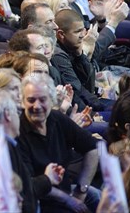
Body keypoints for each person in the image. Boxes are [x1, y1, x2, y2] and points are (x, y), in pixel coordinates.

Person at [18, 73, 100, 213]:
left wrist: (82, 189)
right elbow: (27, 185)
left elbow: (92, 148)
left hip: (67, 191)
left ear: (52, 101)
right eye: (31, 100)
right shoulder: (17, 132)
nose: (37, 106)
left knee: (100, 197)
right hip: (36, 201)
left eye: (43, 100)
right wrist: (68, 200)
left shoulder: (57, 118)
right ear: (22, 102)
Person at [0, 89, 59, 212]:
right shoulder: (1, 149)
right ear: (8, 115)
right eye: (17, 112)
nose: (19, 118)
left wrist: (47, 179)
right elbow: (21, 194)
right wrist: (47, 179)